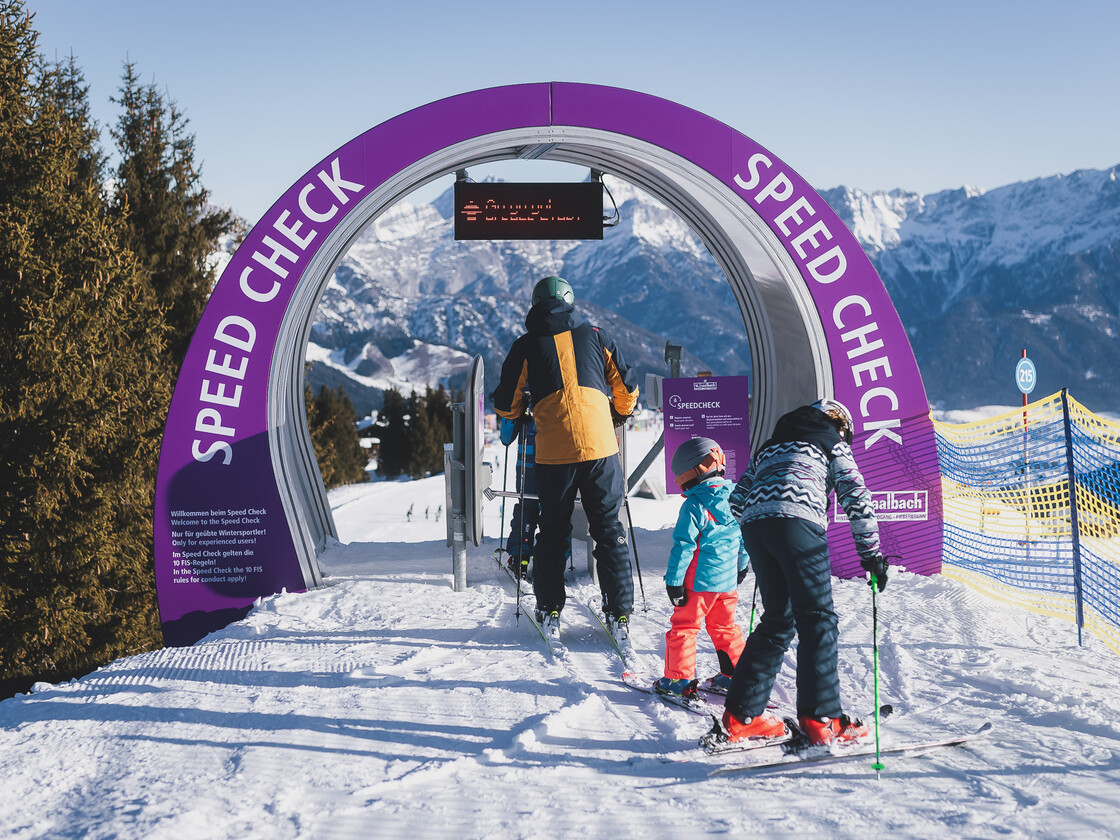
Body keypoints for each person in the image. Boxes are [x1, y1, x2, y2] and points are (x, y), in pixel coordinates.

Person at [719, 398, 889, 747]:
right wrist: (871, 554)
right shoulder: (831, 440)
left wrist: (758, 535)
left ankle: (741, 716)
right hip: (797, 522)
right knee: (818, 618)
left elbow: (736, 501)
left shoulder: (771, 446)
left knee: (779, 620)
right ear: (840, 425)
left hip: (755, 525)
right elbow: (855, 493)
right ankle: (821, 718)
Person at [493, 276, 639, 649]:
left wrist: (524, 409)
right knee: (608, 530)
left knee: (553, 531)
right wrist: (617, 414)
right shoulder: (596, 334)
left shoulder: (525, 346)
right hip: (601, 449)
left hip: (554, 453)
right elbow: (627, 387)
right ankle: (619, 612)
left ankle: (549, 608)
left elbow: (504, 403)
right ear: (569, 303)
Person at [656, 437, 749, 698]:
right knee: (725, 628)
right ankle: (736, 677)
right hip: (727, 584)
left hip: (698, 584)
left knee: (684, 628)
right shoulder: (736, 499)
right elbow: (744, 538)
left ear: (691, 474)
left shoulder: (694, 506)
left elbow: (683, 546)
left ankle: (679, 682)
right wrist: (741, 567)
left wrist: (674, 582)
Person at [500, 412, 540, 579]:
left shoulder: (524, 393)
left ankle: (520, 557)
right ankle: (552, 560)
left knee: (526, 508)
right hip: (559, 462)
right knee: (555, 510)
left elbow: (506, 437)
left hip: (527, 464)